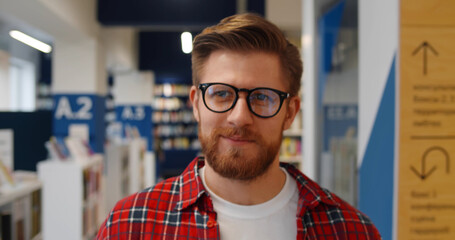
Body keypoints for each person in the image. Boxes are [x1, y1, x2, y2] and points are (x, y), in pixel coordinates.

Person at [97, 13, 381, 240]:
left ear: (290, 112)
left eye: (262, 97)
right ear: (196, 104)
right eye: (221, 94)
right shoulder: (130, 225)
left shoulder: (350, 231)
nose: (239, 117)